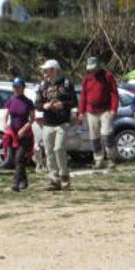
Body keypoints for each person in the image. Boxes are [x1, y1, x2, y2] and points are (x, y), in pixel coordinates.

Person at [35, 60, 77, 191]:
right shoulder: (42, 86)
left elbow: (74, 101)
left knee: (59, 148)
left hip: (62, 123)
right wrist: (44, 106)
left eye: (47, 70)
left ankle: (64, 177)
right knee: (48, 152)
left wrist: (63, 105)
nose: (44, 73)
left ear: (54, 70)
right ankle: (54, 180)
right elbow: (37, 104)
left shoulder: (66, 84)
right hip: (47, 123)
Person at [78, 56, 119, 169]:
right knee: (94, 137)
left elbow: (114, 93)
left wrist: (113, 109)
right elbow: (83, 96)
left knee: (107, 134)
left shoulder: (108, 76)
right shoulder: (87, 79)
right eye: (90, 69)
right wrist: (81, 112)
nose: (92, 71)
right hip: (91, 111)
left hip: (105, 110)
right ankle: (98, 160)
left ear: (98, 66)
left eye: (94, 68)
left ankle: (111, 158)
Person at [3, 77, 35, 192]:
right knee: (16, 160)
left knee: (19, 158)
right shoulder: (11, 100)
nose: (16, 89)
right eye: (14, 87)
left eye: (18, 87)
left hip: (25, 134)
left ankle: (15, 183)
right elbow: (6, 114)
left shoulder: (28, 102)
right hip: (13, 134)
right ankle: (24, 181)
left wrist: (24, 129)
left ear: (23, 88)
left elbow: (32, 118)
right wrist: (5, 125)